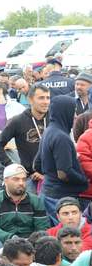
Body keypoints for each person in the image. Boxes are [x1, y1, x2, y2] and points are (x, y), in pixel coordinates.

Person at [37, 95, 89, 223]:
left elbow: (36, 164)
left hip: (48, 193)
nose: (75, 116)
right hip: (61, 198)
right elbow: (64, 173)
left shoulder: (49, 131)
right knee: (68, 236)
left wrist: (51, 176)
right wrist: (83, 180)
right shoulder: (61, 137)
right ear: (65, 111)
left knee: (55, 236)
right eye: (73, 111)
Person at [0, 84, 49, 195]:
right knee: (32, 210)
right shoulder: (19, 121)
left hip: (51, 177)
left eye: (48, 97)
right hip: (30, 178)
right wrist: (12, 166)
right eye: (41, 98)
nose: (45, 101)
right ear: (30, 101)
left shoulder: (54, 119)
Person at [0, 164, 49, 244]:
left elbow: (43, 227)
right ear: (5, 182)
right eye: (16, 179)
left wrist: (32, 241)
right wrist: (13, 238)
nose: (21, 183)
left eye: (24, 179)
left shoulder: (35, 201)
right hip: (5, 241)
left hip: (30, 241)